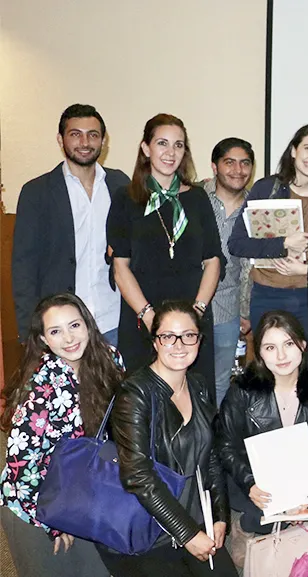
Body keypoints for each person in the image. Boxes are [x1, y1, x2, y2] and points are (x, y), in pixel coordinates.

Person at [98, 301, 237, 576]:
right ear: (156, 342)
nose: (179, 345)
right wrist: (187, 534)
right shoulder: (134, 394)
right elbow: (138, 475)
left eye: (188, 335)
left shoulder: (198, 385)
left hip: (196, 518)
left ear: (199, 340)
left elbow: (211, 455)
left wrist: (220, 516)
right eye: (168, 336)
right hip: (148, 527)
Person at [0, 293, 125, 577]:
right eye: (56, 331)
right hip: (35, 502)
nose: (69, 339)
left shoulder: (110, 358)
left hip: (84, 488)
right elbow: (22, 468)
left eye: (74, 326)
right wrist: (53, 522)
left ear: (88, 325)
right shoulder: (41, 391)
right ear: (44, 340)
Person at [107, 114, 222, 394]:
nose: (171, 153)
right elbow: (120, 266)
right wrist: (150, 318)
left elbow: (213, 260)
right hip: (142, 317)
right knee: (143, 403)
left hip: (192, 316)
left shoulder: (197, 198)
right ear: (146, 148)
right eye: (162, 143)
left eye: (178, 145)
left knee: (194, 399)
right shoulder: (126, 198)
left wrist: (195, 314)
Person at [215, 310, 308, 565]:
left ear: (302, 346)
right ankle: (245, 528)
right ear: (259, 352)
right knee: (263, 509)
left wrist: (297, 491)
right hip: (247, 477)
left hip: (293, 472)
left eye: (288, 344)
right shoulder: (242, 390)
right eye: (270, 347)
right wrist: (250, 483)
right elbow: (225, 445)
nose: (281, 356)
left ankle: (280, 524)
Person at [12, 104, 129, 344]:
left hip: (113, 322)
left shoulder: (120, 184)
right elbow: (23, 267)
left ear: (103, 141)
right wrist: (29, 333)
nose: (85, 142)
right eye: (76, 134)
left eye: (93, 135)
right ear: (60, 139)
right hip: (61, 329)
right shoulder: (37, 192)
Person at [229, 124, 308, 345]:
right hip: (266, 295)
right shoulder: (266, 188)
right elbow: (237, 244)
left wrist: (307, 269)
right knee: (270, 370)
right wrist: (283, 244)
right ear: (293, 151)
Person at [202, 137, 255, 406]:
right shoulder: (194, 198)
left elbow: (254, 266)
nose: (238, 170)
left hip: (228, 307)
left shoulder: (255, 208)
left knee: (221, 380)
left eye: (245, 163)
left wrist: (245, 312)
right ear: (215, 166)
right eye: (229, 162)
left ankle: (213, 440)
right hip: (191, 303)